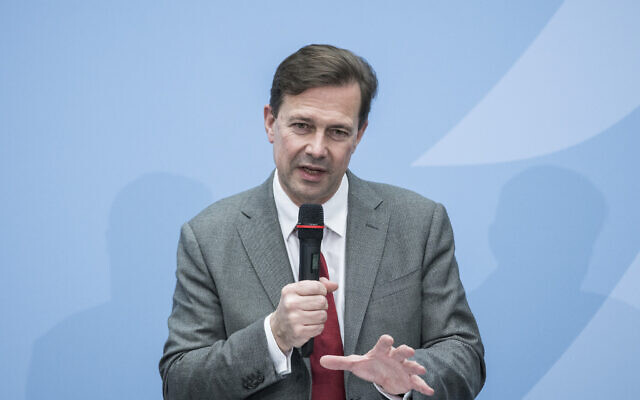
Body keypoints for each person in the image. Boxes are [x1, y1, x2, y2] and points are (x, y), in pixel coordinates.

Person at [159, 44, 485, 400]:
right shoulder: (209, 237)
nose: (317, 148)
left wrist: (403, 383)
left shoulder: (418, 223)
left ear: (359, 135)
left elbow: (464, 354)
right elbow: (181, 384)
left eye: (337, 132)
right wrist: (274, 336)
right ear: (271, 122)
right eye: (302, 125)